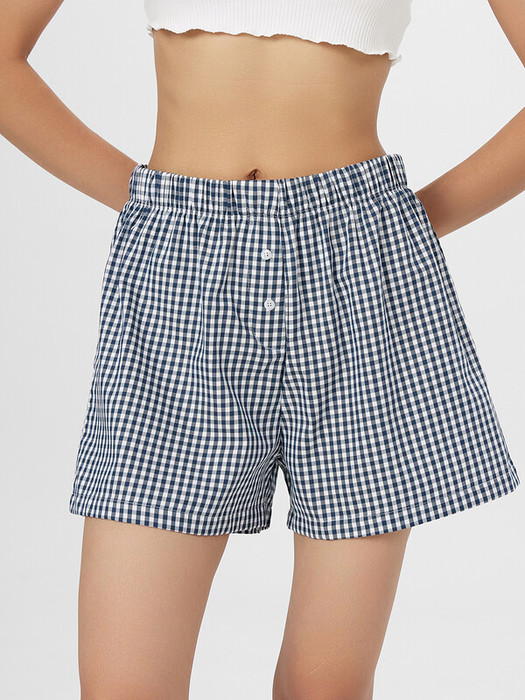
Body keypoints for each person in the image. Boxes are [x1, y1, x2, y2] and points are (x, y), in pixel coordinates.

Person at [1, 1, 522, 698]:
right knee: (124, 683)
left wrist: (406, 224)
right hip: (179, 282)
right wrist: (151, 205)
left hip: (359, 284)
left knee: (324, 685)